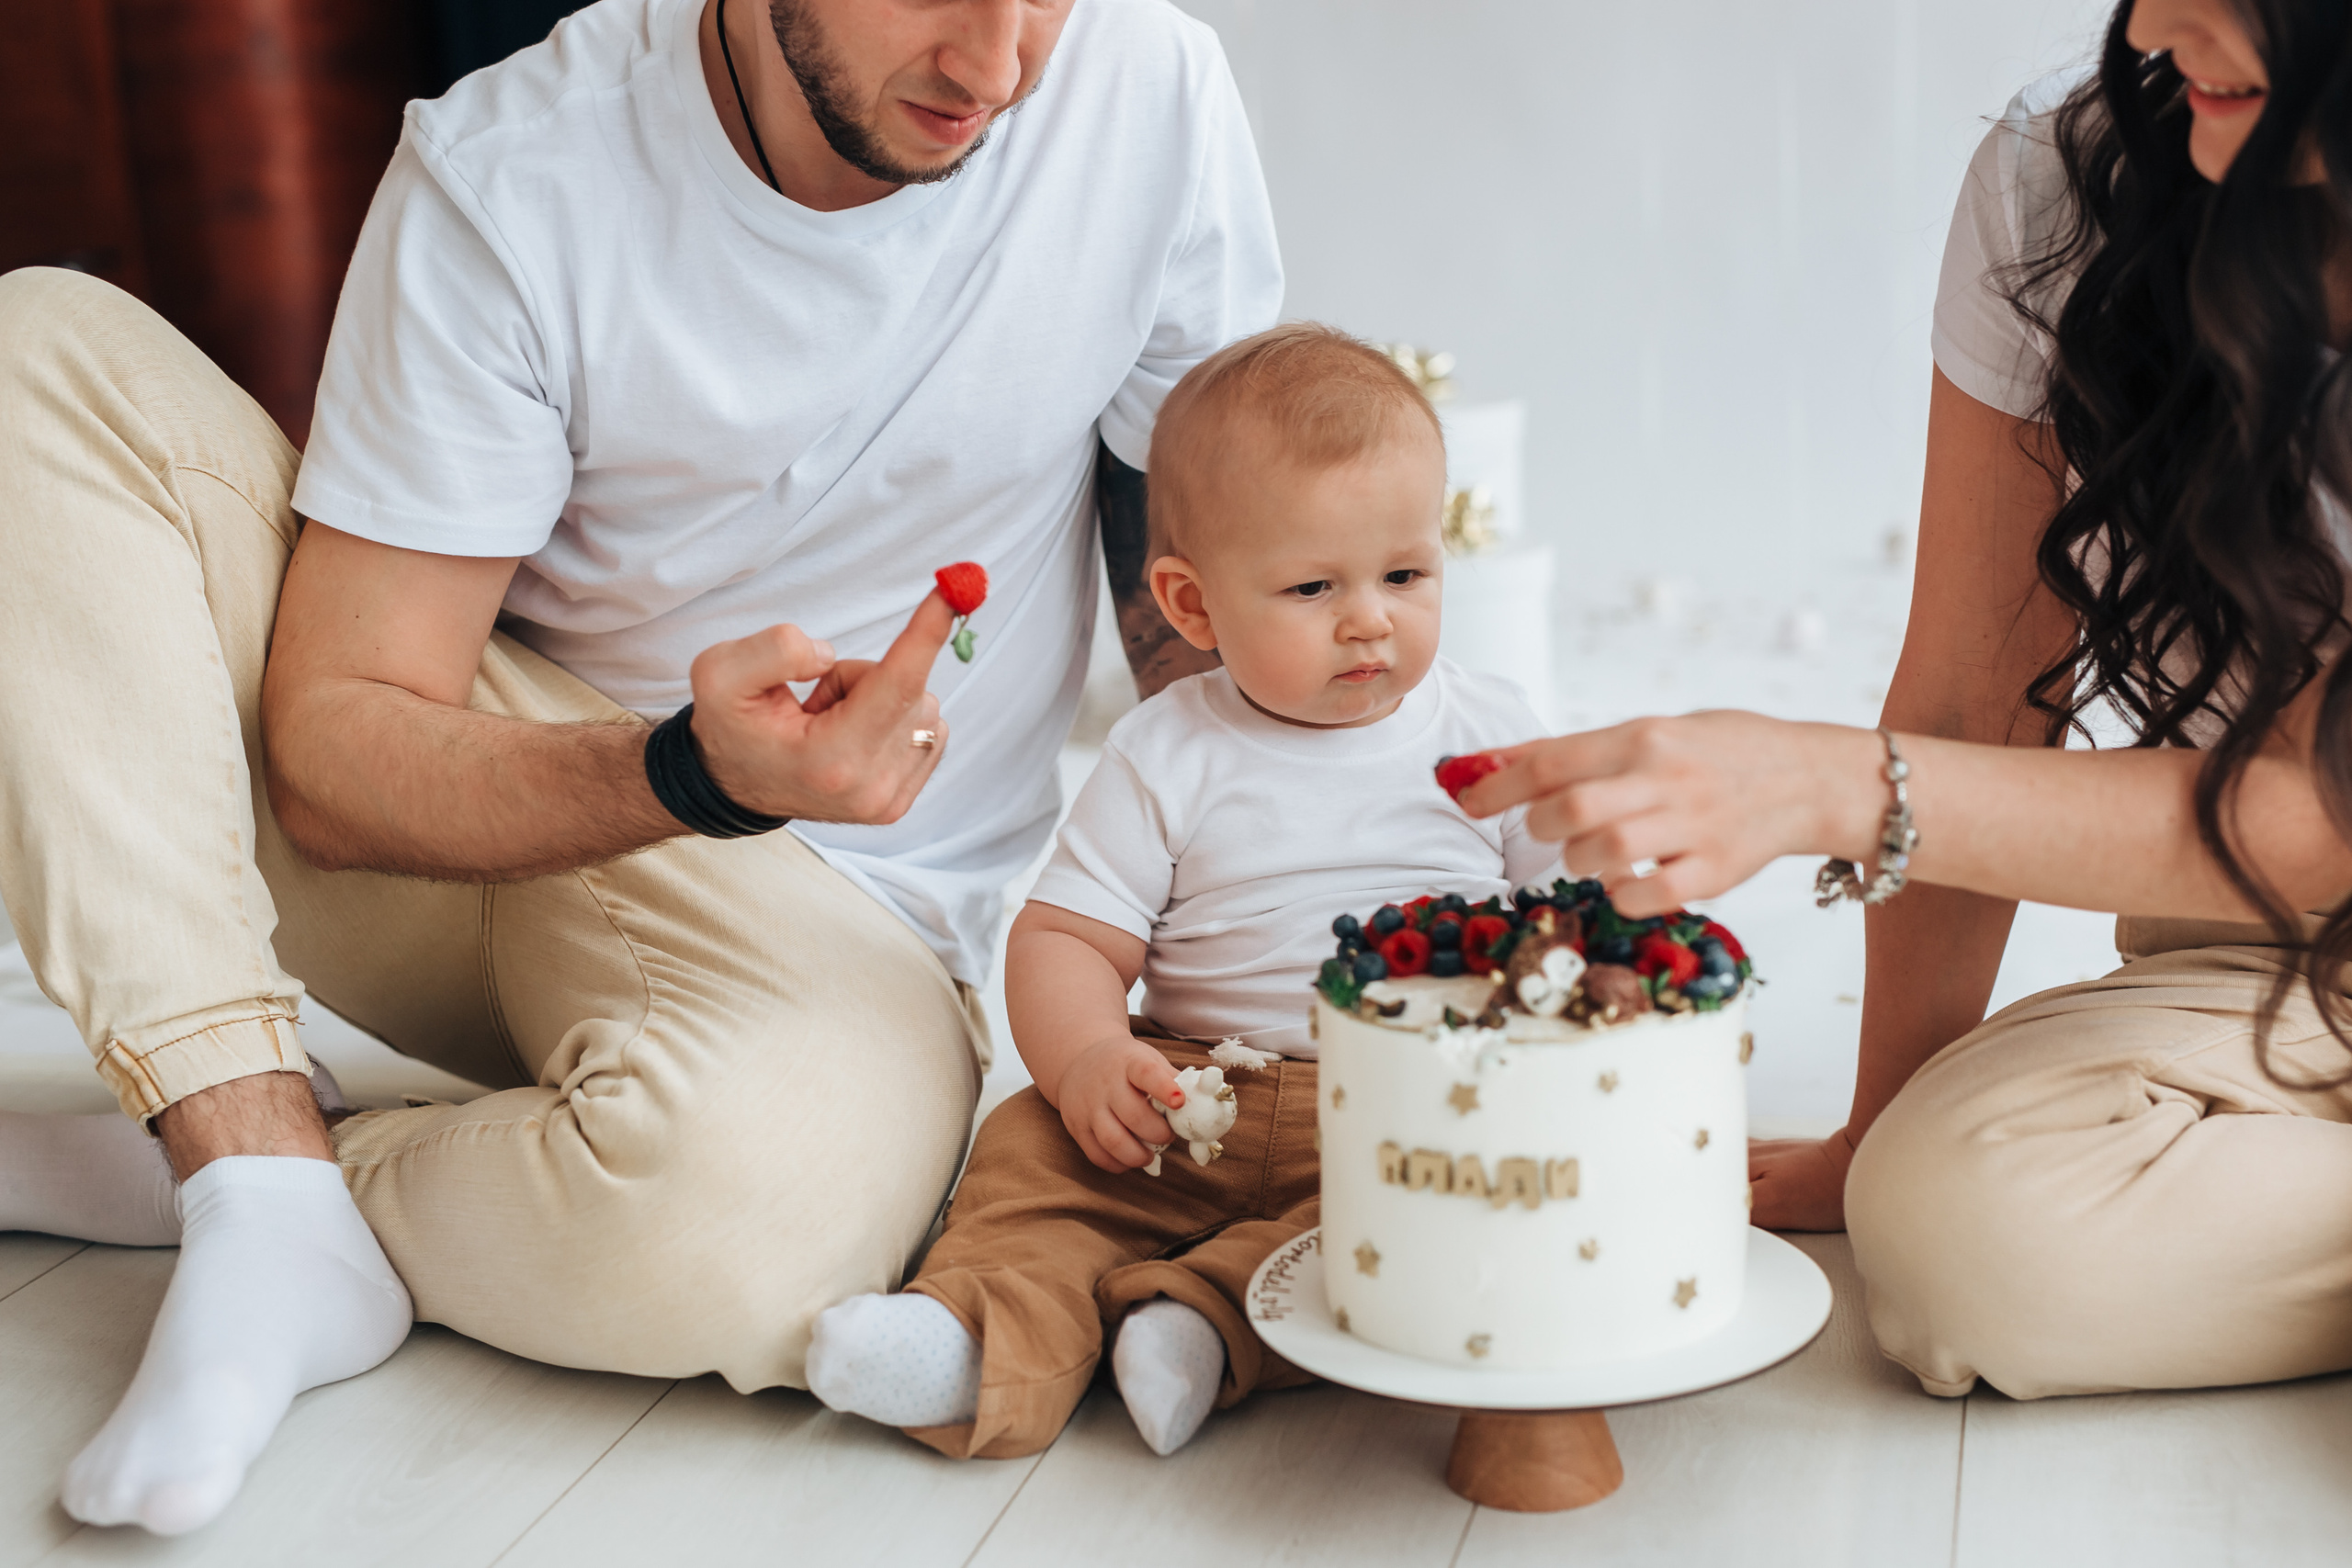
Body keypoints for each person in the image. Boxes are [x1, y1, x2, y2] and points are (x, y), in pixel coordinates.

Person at [0, 0, 1278, 1535]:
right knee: (34, 358)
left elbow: (1201, 590)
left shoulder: (1151, 96)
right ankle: (240, 1149)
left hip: (846, 929)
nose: (994, 69)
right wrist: (687, 772)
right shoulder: (518, 168)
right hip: (483, 825)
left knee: (744, 1238)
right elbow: (337, 750)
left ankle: (280, 1184)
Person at [1462, 0, 2352, 1402]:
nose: (2162, 18)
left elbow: (2324, 809)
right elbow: (1971, 682)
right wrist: (1875, 1126)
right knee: (1950, 1229)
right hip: (2265, 961)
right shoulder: (2074, 174)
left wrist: (1825, 781)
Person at [797, 324, 1560, 1458]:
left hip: (1402, 1107)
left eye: (1405, 574)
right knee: (1029, 1157)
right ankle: (971, 1336)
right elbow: (1068, 938)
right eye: (1312, 586)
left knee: (1407, 1223)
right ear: (1192, 608)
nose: (1370, 618)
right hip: (1181, 1089)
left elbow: (1569, 915)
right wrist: (1088, 1058)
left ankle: (1200, 1324)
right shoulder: (1168, 751)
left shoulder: (1490, 734)